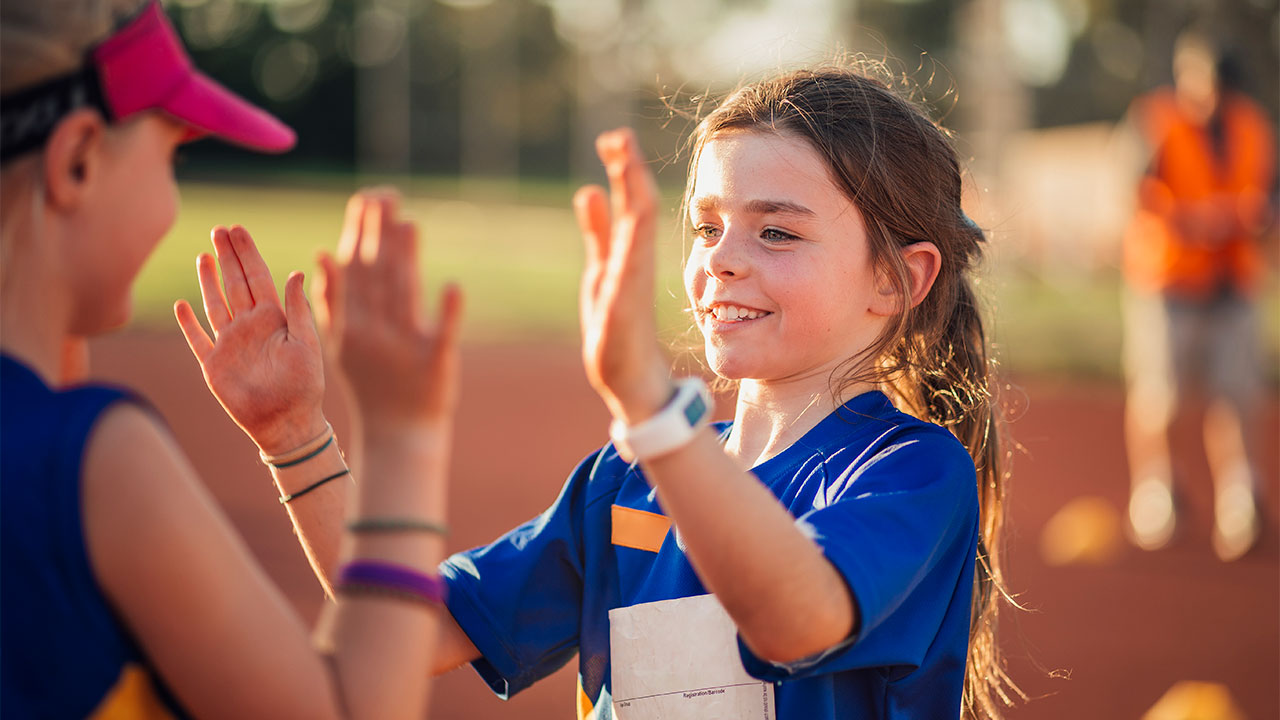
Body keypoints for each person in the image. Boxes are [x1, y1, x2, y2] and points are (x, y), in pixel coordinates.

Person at [189, 65, 1018, 719]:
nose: (721, 258)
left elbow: (793, 620)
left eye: (777, 230)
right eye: (706, 225)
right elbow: (412, 631)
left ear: (897, 279)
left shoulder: (911, 474)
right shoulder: (625, 479)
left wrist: (656, 417)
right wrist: (294, 436)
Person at [0, 1, 463, 716]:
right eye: (171, 155)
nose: (173, 192)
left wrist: (293, 435)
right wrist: (405, 434)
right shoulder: (95, 460)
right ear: (79, 161)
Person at [1120, 30, 1275, 561]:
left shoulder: (1252, 126)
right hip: (1169, 282)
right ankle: (1157, 491)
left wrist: (1255, 220)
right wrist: (1193, 220)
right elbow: (1131, 192)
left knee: (1236, 395)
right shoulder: (1156, 122)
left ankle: (1241, 499)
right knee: (1160, 395)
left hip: (1233, 282)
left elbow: (1269, 194)